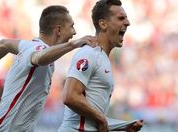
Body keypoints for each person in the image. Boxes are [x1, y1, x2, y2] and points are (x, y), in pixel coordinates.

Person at [0, 5, 96, 132]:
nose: (74, 32)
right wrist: (73, 44)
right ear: (58, 30)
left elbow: (3, 45)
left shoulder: (27, 46)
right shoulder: (37, 49)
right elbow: (39, 58)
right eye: (71, 26)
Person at [58, 0, 143, 132]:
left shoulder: (103, 58)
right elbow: (70, 96)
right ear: (103, 24)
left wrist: (124, 126)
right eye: (121, 18)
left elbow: (92, 119)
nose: (127, 22)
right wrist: (101, 119)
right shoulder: (89, 53)